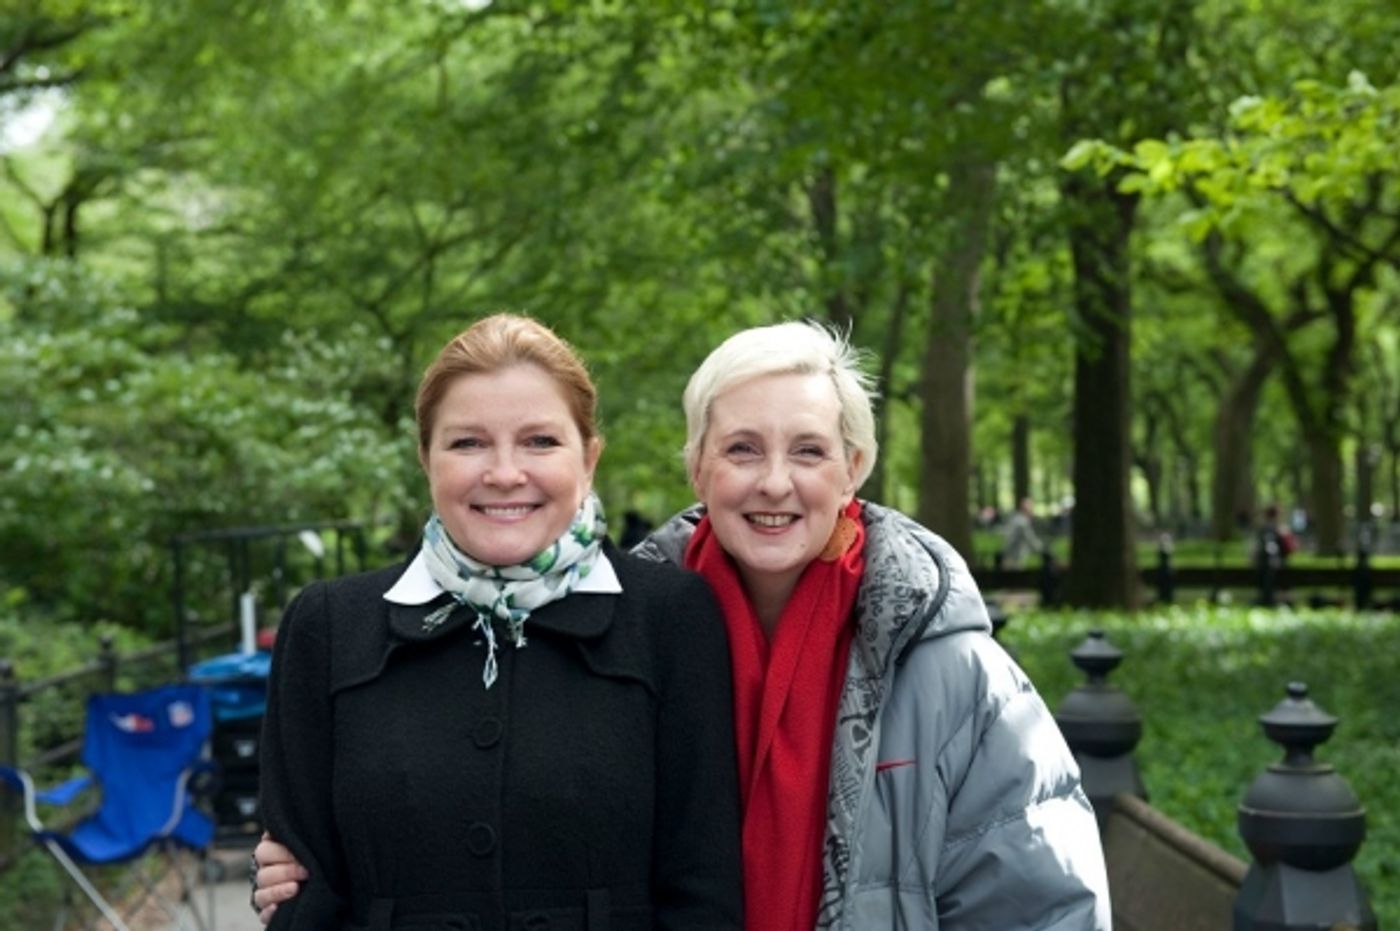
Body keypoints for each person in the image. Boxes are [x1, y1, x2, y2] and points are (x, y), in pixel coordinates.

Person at [256, 320, 1111, 929]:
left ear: (856, 465)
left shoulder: (935, 662)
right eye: (741, 449)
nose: (774, 481)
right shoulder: (335, 628)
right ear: (697, 465)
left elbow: (1038, 899)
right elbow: (308, 876)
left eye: (809, 450)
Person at [255, 313, 743, 930]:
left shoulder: (671, 618)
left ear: (589, 458)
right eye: (468, 443)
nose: (505, 473)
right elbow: (301, 892)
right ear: (426, 458)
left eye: (540, 441)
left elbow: (704, 891)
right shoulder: (327, 627)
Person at [1001, 496, 1043, 568]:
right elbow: (1030, 540)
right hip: (1015, 557)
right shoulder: (1022, 523)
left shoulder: (1015, 518)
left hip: (1008, 554)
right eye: (1031, 508)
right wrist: (1043, 549)